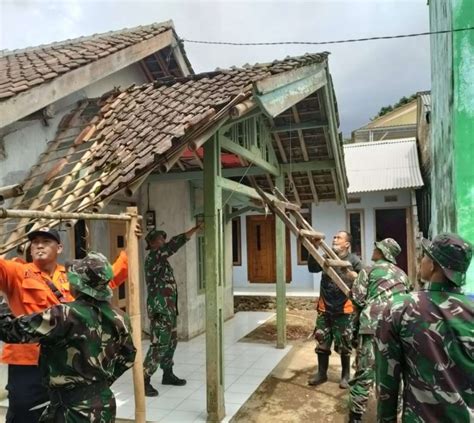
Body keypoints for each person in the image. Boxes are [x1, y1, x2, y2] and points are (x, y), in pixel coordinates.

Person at [0, 227, 130, 422]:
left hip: (66, 364)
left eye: (46, 241)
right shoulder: (18, 271)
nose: (39, 245)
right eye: (35, 242)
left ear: (59, 248)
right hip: (27, 361)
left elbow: (108, 278)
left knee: (58, 413)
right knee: (24, 412)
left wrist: (129, 248)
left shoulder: (73, 275)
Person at [375, 233, 473, 423]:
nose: (421, 260)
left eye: (425, 255)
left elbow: (387, 381)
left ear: (434, 264)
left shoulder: (399, 308)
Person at [348, 238, 411, 423]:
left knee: (365, 372)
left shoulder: (369, 270)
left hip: (372, 326)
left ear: (382, 252)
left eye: (376, 247)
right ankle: (394, 414)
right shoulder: (403, 275)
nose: (373, 249)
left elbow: (358, 299)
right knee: (393, 372)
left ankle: (356, 417)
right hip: (396, 327)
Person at [143, 224, 202, 397]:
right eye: (159, 239)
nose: (163, 240)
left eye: (163, 238)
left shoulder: (162, 260)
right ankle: (144, 379)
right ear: (152, 244)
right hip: (160, 310)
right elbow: (173, 245)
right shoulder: (154, 257)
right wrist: (194, 230)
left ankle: (167, 374)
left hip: (169, 310)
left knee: (171, 342)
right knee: (159, 345)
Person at [307, 231, 362, 389]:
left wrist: (354, 276)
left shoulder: (354, 260)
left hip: (344, 309)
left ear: (347, 244)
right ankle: (322, 374)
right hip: (325, 307)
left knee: (345, 344)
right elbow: (312, 268)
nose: (335, 239)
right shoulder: (327, 257)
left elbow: (364, 278)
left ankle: (345, 376)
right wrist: (314, 249)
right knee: (322, 341)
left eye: (339, 238)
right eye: (334, 237)